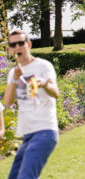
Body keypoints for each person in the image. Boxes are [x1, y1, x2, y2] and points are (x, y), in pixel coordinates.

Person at [5, 30, 59, 179]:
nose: (17, 47)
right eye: (13, 44)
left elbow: (56, 92)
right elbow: (8, 102)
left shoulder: (43, 66)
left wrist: (44, 84)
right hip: (28, 135)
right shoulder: (13, 73)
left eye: (20, 43)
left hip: (45, 131)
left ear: (28, 44)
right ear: (9, 49)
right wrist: (15, 80)